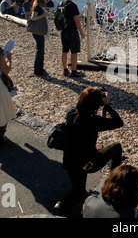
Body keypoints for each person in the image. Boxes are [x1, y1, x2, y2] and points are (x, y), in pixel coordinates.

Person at [52, 86, 124, 216]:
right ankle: (114, 183)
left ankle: (60, 205)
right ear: (97, 104)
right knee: (116, 147)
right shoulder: (93, 120)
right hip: (88, 162)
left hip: (71, 161)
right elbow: (118, 123)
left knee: (78, 191)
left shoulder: (71, 114)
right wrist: (107, 105)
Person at [60, 0, 86, 77]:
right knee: (74, 52)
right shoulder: (73, 5)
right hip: (72, 31)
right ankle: (74, 71)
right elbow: (76, 20)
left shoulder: (60, 4)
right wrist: (81, 32)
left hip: (63, 31)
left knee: (64, 50)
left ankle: (65, 70)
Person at [30, 0, 49, 76]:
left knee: (41, 50)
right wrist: (44, 15)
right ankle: (38, 70)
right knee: (40, 50)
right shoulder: (37, 6)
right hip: (38, 31)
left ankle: (40, 68)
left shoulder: (38, 5)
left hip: (39, 31)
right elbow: (33, 18)